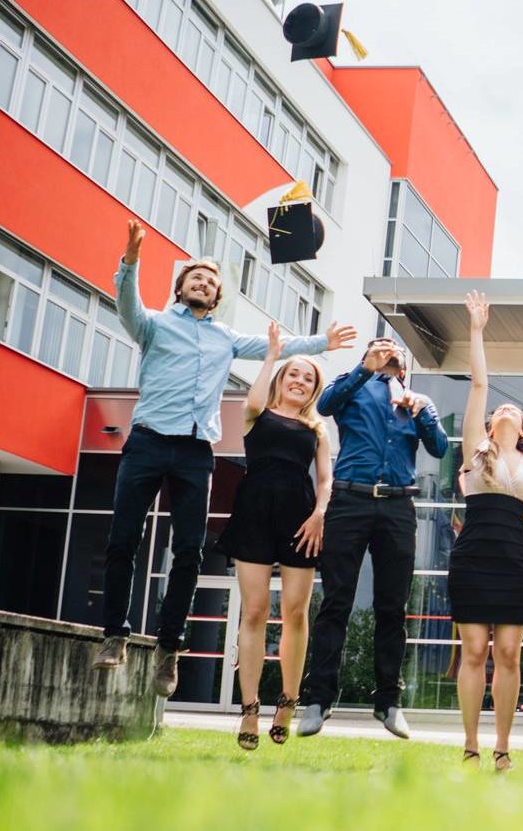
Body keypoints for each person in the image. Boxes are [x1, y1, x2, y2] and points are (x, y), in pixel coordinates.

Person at [93, 220, 353, 695]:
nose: (203, 282)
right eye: (196, 276)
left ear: (215, 297)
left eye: (211, 281)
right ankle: (115, 634)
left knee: (190, 550)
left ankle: (169, 646)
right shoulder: (153, 325)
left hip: (195, 450)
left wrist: (323, 344)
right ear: (181, 287)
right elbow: (126, 305)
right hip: (148, 441)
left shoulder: (226, 338)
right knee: (123, 539)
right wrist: (130, 258)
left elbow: (277, 348)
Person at [297, 334, 450, 739]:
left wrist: (422, 414)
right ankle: (318, 699)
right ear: (367, 354)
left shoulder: (418, 402)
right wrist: (365, 367)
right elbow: (325, 404)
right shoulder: (351, 387)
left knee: (392, 606)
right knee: (336, 601)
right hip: (350, 500)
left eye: (393, 348)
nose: (388, 349)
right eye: (379, 345)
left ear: (403, 364)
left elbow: (438, 448)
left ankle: (388, 701)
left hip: (398, 506)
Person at [216, 323, 331, 750]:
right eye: (294, 374)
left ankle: (288, 700)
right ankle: (249, 709)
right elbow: (252, 398)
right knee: (254, 611)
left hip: (300, 519)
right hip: (254, 514)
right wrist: (271, 355)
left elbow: (325, 480)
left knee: (296, 612)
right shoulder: (257, 415)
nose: (300, 381)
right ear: (281, 380)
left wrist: (320, 514)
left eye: (309, 378)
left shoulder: (317, 430)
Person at [450, 291, 523, 770]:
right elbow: (477, 384)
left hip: (513, 559)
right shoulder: (477, 451)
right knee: (473, 650)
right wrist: (476, 330)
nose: (505, 410)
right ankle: (471, 745)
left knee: (509, 653)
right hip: (473, 555)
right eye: (500, 410)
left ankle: (503, 747)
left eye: (515, 411)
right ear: (490, 423)